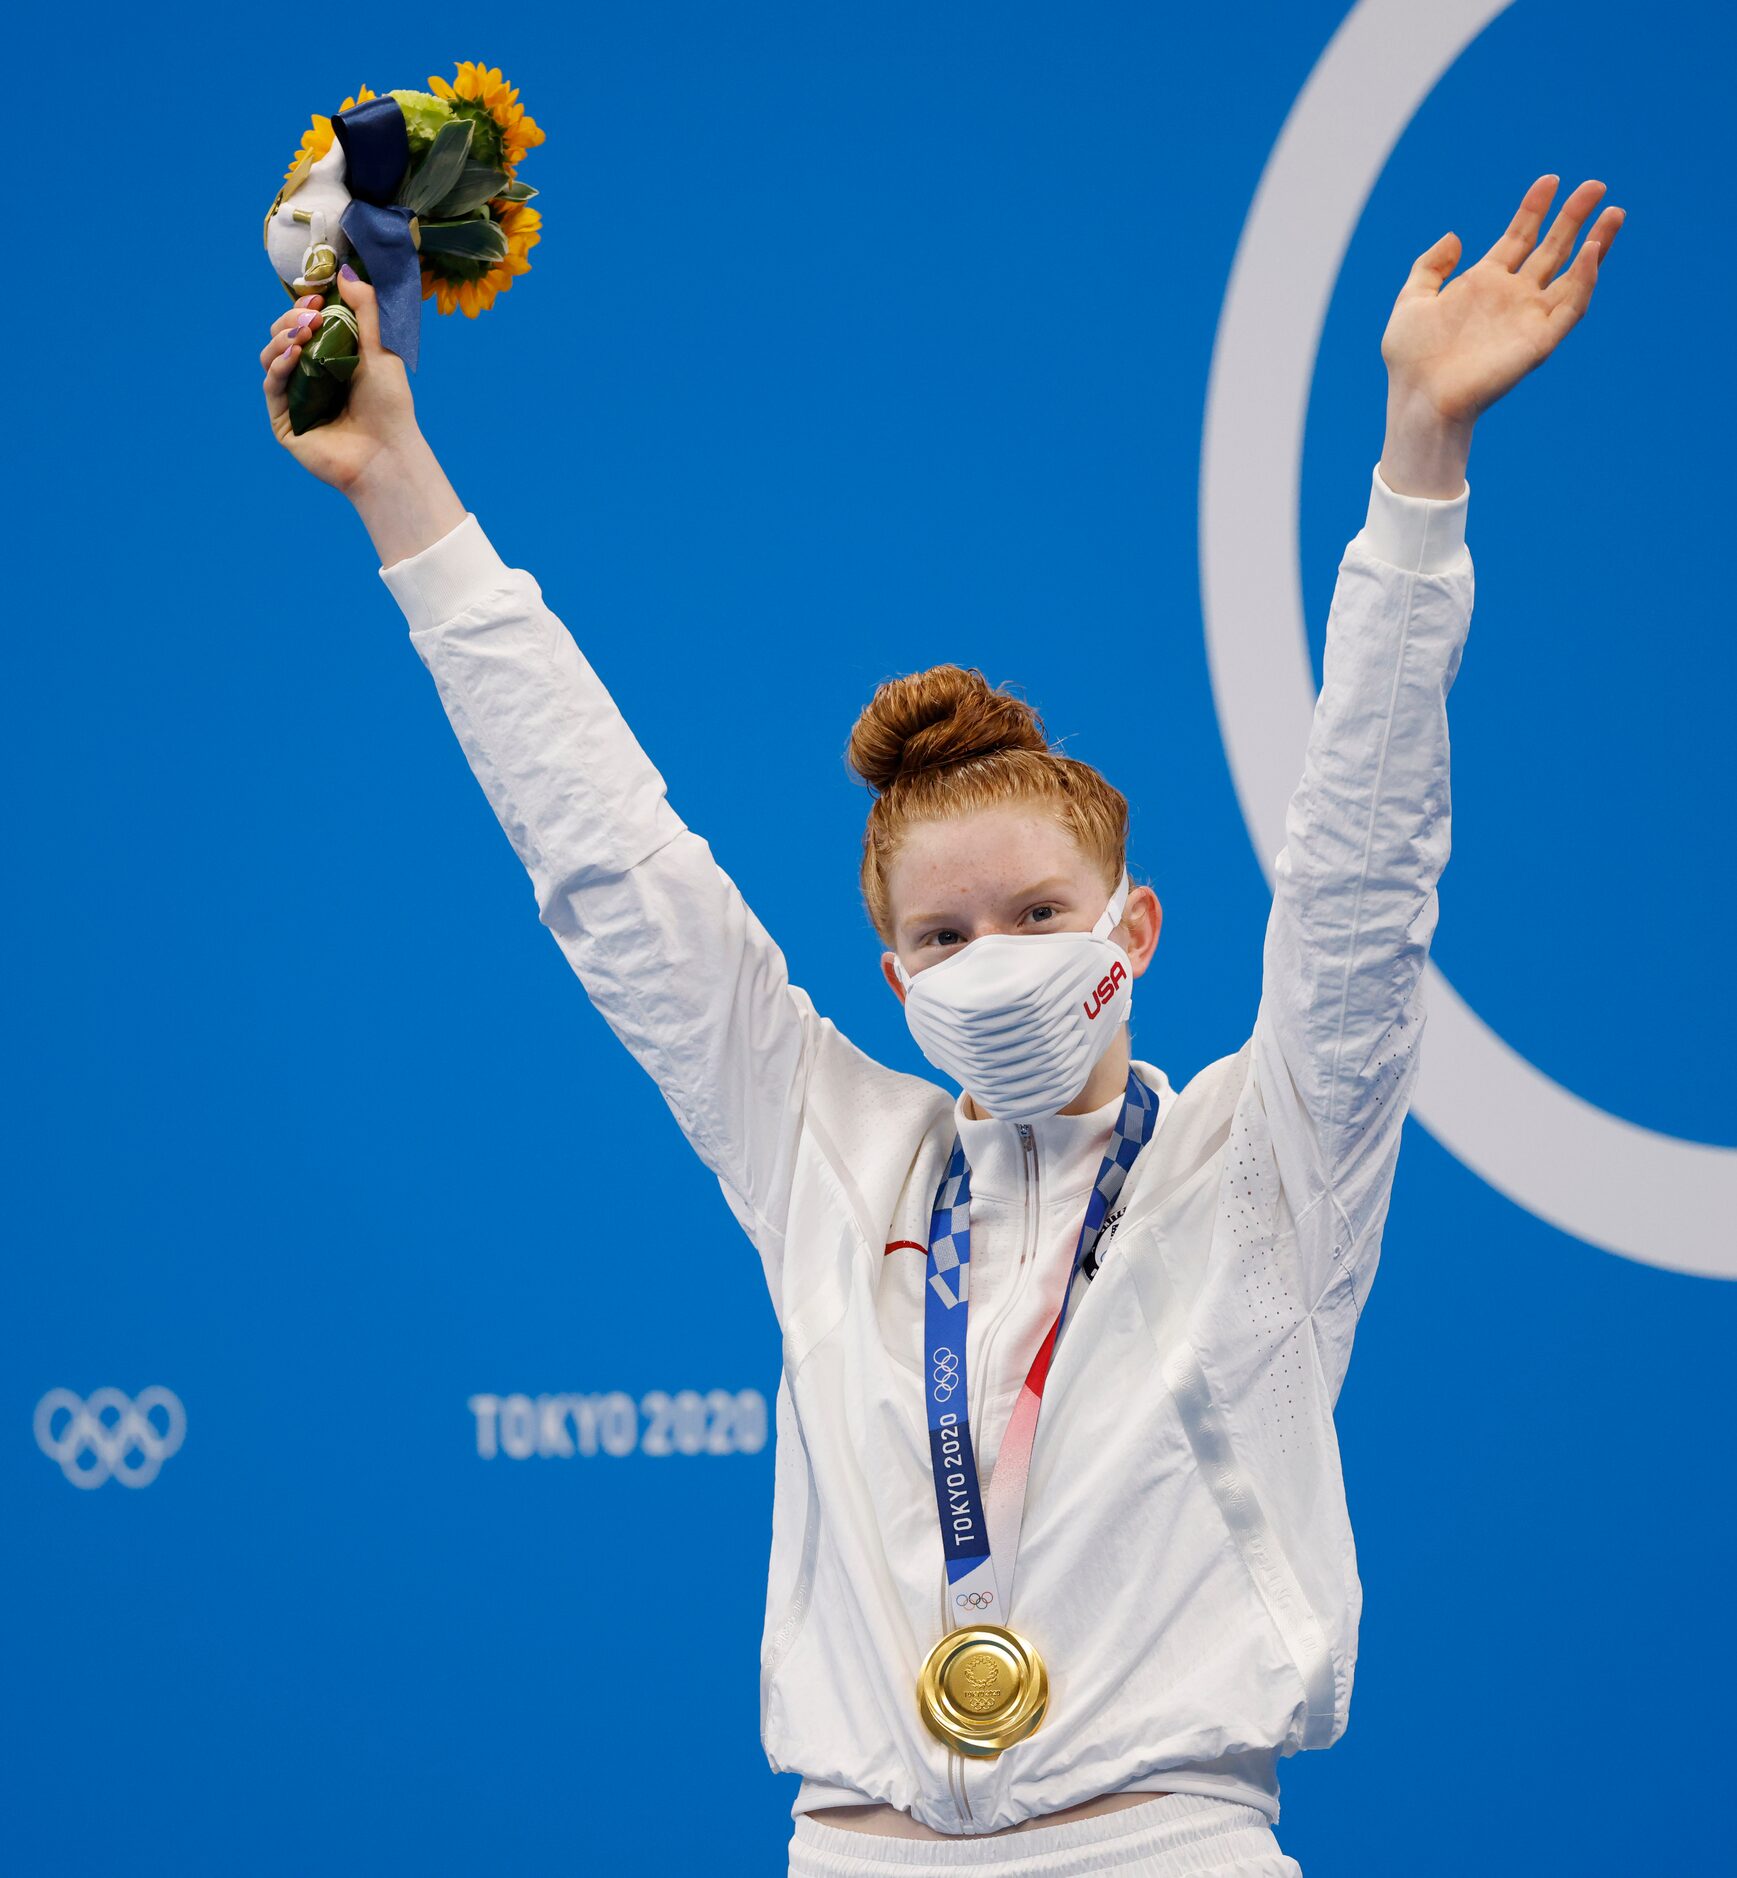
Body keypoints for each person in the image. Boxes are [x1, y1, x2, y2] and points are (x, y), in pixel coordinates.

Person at [260, 171, 1623, 1876]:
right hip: (858, 1844)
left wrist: (1419, 465)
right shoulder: (827, 1143)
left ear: (1131, 931)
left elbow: (1364, 866)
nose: (994, 960)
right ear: (896, 984)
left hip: (1162, 1842)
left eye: (1038, 917)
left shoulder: (1267, 1156)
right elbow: (605, 859)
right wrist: (397, 479)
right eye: (943, 934)